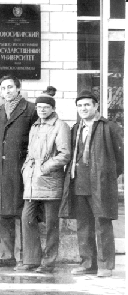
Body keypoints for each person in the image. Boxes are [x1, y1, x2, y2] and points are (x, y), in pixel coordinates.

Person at [59, 90, 124, 277]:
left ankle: (105, 266)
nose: (83, 108)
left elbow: (121, 158)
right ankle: (88, 264)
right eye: (80, 106)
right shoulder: (76, 128)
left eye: (87, 105)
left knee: (102, 223)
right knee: (83, 225)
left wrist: (107, 175)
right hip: (79, 183)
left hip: (101, 185)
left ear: (96, 106)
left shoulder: (109, 127)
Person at [0, 75, 38, 268]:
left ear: (18, 88)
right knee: (3, 213)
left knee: (23, 213)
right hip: (1, 169)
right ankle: (6, 256)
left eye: (10, 87)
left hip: (21, 168)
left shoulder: (31, 109)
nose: (6, 91)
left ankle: (25, 257)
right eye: (3, 88)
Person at [18, 94, 71, 273]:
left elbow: (64, 154)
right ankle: (32, 260)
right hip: (32, 182)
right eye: (39, 107)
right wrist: (26, 168)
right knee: (27, 219)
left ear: (53, 109)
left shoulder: (60, 126)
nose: (42, 110)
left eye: (46, 107)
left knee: (51, 224)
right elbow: (30, 152)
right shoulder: (35, 126)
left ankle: (48, 262)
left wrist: (45, 167)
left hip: (50, 181)